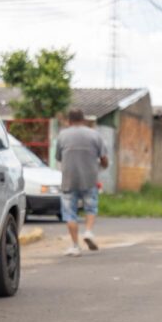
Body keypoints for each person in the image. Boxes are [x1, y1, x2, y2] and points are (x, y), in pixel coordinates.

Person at [56, 109, 109, 257]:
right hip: (90, 179)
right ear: (83, 119)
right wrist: (103, 166)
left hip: (68, 180)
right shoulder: (94, 135)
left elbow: (59, 158)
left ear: (69, 121)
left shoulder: (62, 135)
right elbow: (104, 159)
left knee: (70, 213)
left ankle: (75, 246)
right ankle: (89, 232)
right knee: (91, 208)